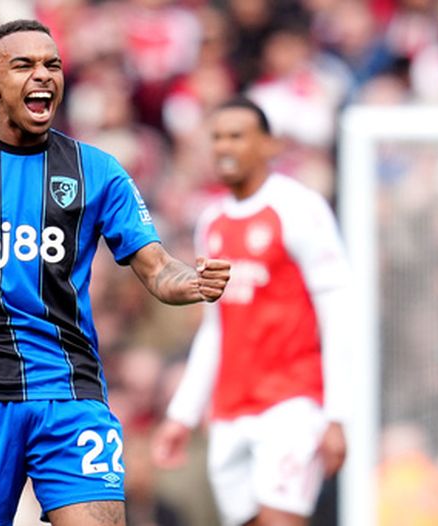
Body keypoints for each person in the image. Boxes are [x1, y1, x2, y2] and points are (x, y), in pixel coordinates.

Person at [0, 19, 230, 526]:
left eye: (52, 64)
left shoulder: (97, 171)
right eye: (24, 65)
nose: (43, 75)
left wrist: (191, 282)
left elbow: (159, 269)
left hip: (69, 394)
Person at [151, 97, 352, 526]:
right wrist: (182, 415)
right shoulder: (213, 222)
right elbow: (214, 328)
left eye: (238, 136)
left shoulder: (299, 208)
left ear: (269, 145)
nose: (225, 146)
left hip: (292, 401)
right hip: (230, 407)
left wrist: (337, 414)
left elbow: (338, 312)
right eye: (218, 137)